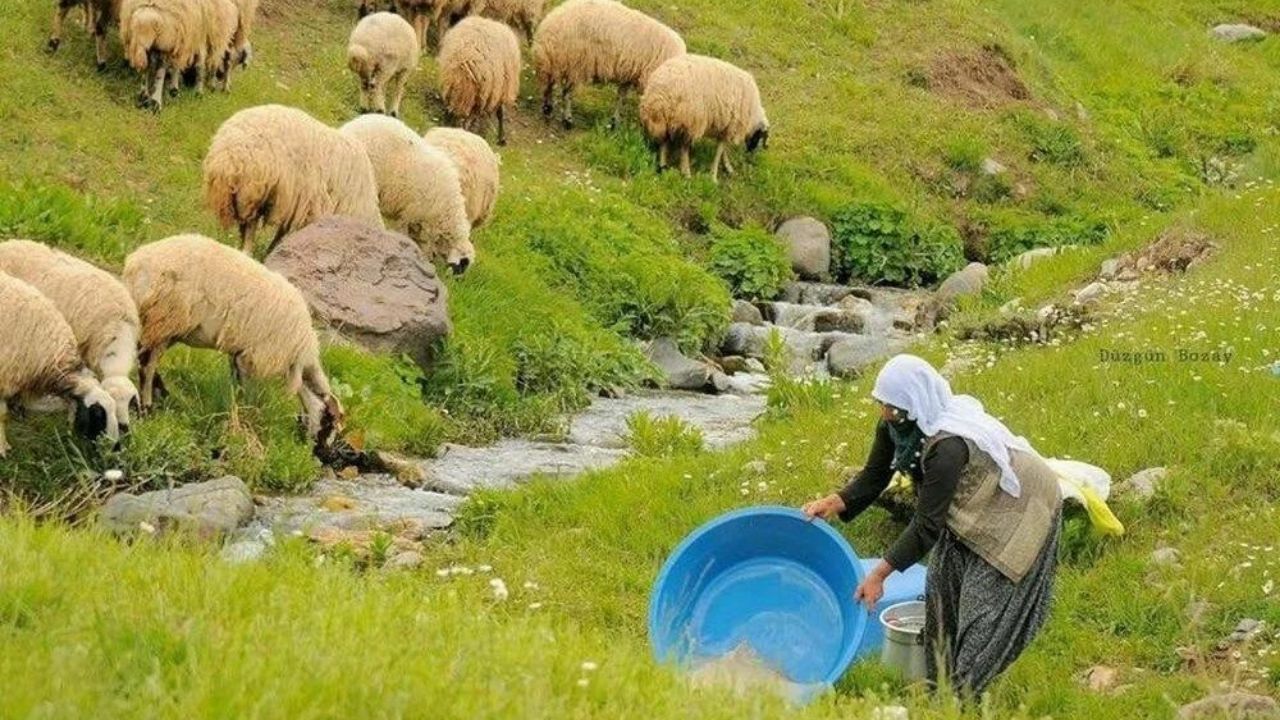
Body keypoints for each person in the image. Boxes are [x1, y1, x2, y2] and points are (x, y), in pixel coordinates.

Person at [802, 354, 1062, 696]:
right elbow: (875, 476)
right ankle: (941, 687)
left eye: (891, 407)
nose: (884, 412)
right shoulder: (897, 426)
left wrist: (879, 575)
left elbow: (927, 525)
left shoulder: (948, 445)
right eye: (882, 403)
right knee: (941, 595)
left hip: (1016, 512)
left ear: (913, 406)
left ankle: (963, 698)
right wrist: (831, 503)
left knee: (984, 615)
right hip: (969, 509)